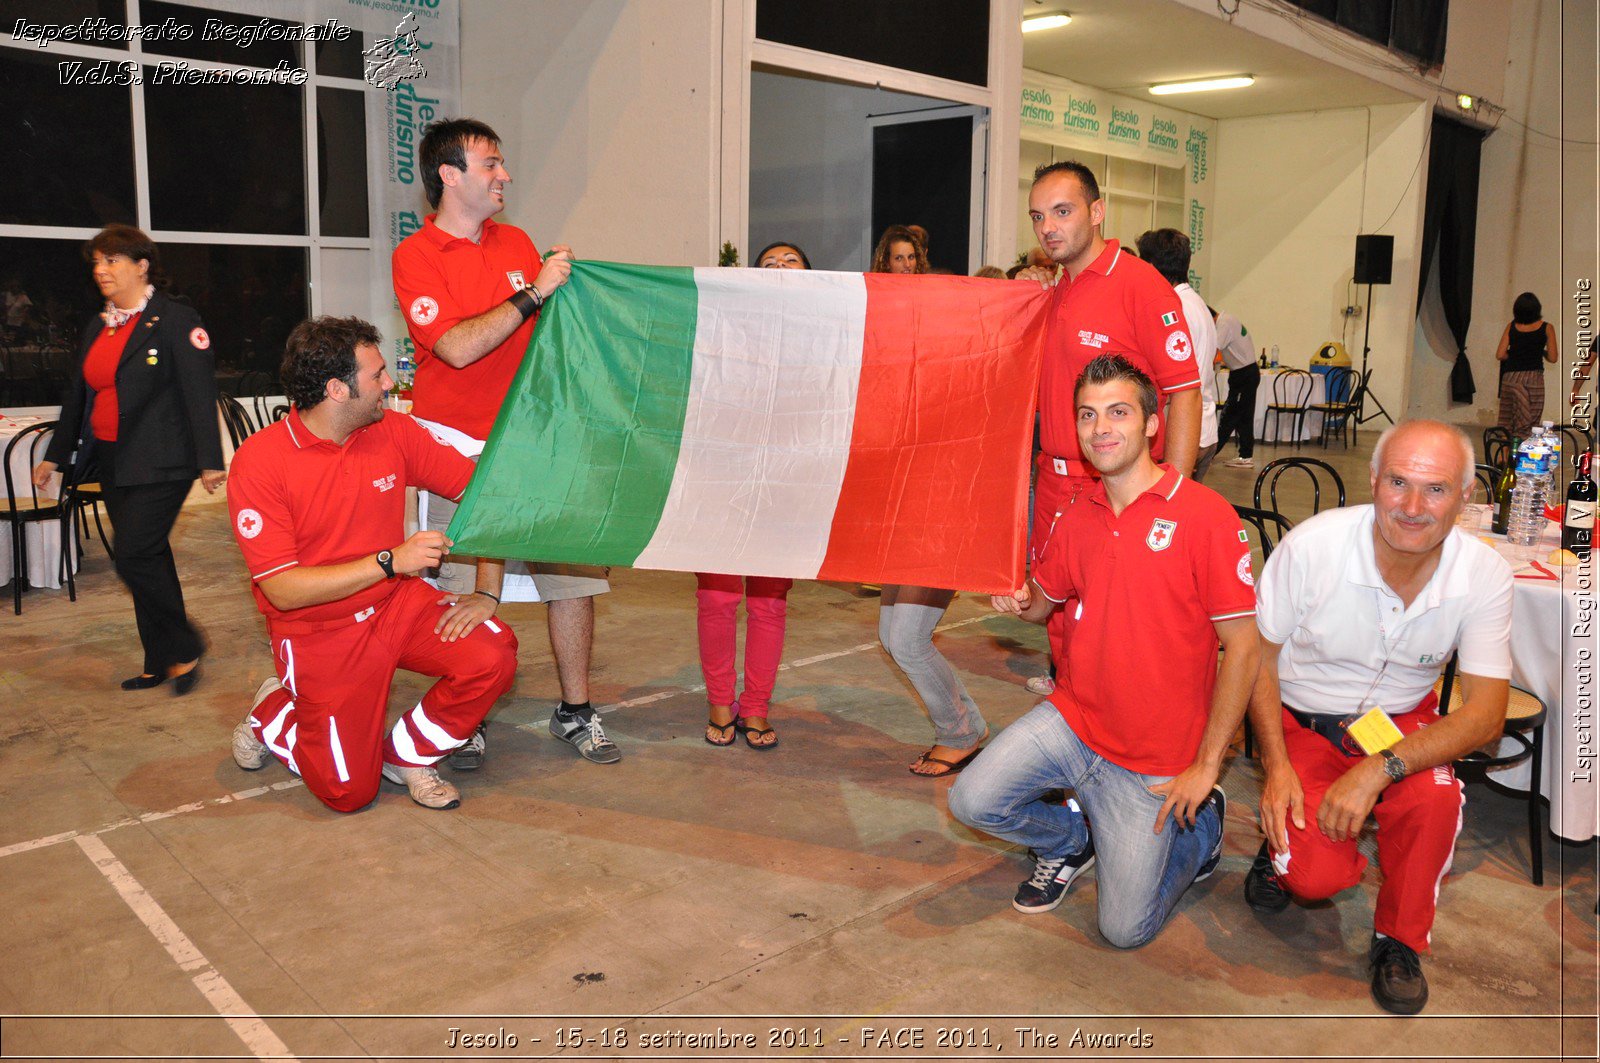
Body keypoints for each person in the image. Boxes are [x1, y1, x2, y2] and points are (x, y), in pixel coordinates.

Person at [949, 355, 1258, 947]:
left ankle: (1202, 828)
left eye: (1118, 412)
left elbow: (1243, 650)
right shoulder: (1079, 511)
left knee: (1123, 930)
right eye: (1088, 415)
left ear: (1150, 424)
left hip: (1152, 759)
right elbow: (1047, 603)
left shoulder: (1205, 516)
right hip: (1075, 721)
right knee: (971, 799)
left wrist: (1206, 766)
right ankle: (1069, 838)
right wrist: (1021, 600)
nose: (1101, 429)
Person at [1243, 420, 1512, 1015]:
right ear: (1373, 480)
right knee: (1313, 877)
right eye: (1398, 482)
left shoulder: (1483, 572)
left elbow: (1488, 713)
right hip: (1302, 720)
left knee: (1435, 799)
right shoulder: (1313, 547)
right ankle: (1286, 843)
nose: (1413, 507)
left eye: (1436, 489)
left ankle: (1399, 939)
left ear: (1467, 497)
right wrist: (1276, 768)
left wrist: (1378, 771)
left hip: (1399, 724)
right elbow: (1253, 661)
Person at [391, 117, 619, 767]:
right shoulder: (416, 257)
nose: (505, 175)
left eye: (502, 163)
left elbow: (554, 330)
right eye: (491, 163)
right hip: (451, 445)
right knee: (458, 589)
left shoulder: (516, 240)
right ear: (449, 175)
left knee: (570, 581)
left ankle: (576, 709)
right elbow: (458, 348)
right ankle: (466, 713)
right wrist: (534, 291)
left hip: (534, 441)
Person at [226, 316, 518, 812]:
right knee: (346, 793)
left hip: (395, 606)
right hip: (318, 629)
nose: (390, 384)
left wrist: (487, 591)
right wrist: (390, 561)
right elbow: (283, 591)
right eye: (378, 375)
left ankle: (404, 755)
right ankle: (273, 709)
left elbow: (485, 500)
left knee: (493, 653)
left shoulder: (395, 431)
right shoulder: (261, 462)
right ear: (337, 389)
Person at [1016, 161, 1202, 681]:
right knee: (1060, 623)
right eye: (1037, 216)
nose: (1048, 227)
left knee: (1115, 627)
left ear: (1097, 212)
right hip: (1051, 484)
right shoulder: (1054, 289)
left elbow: (1184, 392)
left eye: (1062, 211)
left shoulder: (1140, 286)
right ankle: (1074, 724)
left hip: (1114, 487)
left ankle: (1116, 743)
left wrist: (1174, 496)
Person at [33, 225, 224, 694]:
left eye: (112, 261)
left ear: (142, 265)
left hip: (164, 458)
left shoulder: (176, 319)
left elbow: (200, 392)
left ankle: (184, 642)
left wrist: (210, 459)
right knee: (151, 558)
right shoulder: (101, 324)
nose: (101, 270)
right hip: (113, 458)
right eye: (96, 262)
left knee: (133, 554)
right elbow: (78, 393)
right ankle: (161, 660)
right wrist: (55, 457)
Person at [866, 235, 986, 776]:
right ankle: (962, 724)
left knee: (908, 640)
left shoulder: (960, 365)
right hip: (904, 509)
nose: (908, 267)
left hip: (942, 508)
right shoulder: (885, 349)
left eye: (915, 259)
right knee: (893, 637)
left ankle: (962, 730)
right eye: (899, 259)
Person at [697, 241, 809, 750]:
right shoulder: (727, 332)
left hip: (785, 485)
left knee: (768, 603)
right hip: (724, 478)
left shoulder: (825, 342)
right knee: (718, 598)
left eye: (792, 263)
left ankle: (757, 707)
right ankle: (721, 701)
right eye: (769, 265)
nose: (781, 269)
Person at [1136, 229, 1218, 480]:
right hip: (1204, 427)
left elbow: (1176, 385)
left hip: (1184, 432)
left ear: (1150, 265)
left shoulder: (1174, 309)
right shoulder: (1196, 302)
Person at [1495, 291, 1559, 436]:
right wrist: (1540, 352)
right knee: (1531, 419)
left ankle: (1504, 455)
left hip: (1510, 378)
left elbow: (1500, 354)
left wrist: (1514, 353)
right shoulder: (1547, 327)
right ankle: (1524, 453)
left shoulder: (1511, 326)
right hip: (1533, 379)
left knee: (1507, 418)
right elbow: (1553, 357)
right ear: (1537, 309)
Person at [1212, 306, 1260, 469]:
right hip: (1246, 372)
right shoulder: (1229, 318)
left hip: (1243, 375)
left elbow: (1213, 348)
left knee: (1229, 415)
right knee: (1244, 416)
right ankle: (1246, 455)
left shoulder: (1223, 324)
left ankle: (1209, 454)